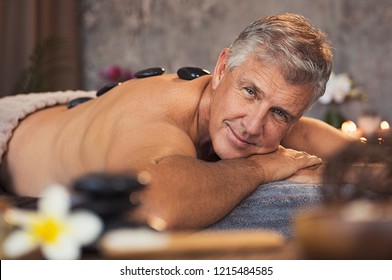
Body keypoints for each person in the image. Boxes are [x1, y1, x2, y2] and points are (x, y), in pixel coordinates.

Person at [0, 13, 353, 230]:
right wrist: (263, 168)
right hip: (10, 133)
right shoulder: (159, 117)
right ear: (221, 69)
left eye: (280, 113)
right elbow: (154, 205)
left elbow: (364, 158)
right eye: (249, 92)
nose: (253, 125)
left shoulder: (250, 116)